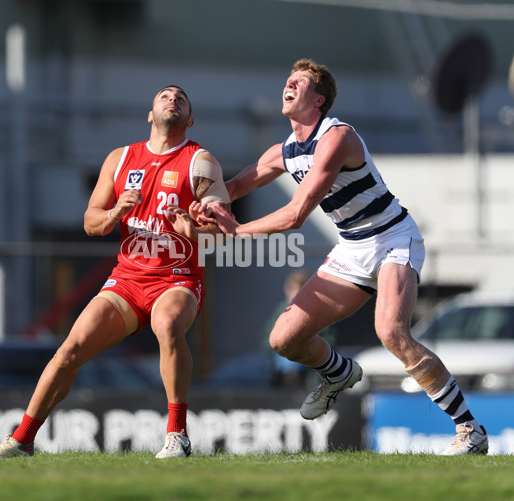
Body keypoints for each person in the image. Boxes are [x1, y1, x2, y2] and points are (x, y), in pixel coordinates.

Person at [205, 59, 488, 455]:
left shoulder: (336, 137)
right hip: (353, 247)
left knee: (391, 332)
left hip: (393, 237)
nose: (289, 84)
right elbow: (232, 188)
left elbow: (295, 215)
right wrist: (194, 205)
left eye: (299, 82)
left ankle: (469, 429)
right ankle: (338, 373)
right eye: (288, 80)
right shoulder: (283, 151)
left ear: (318, 100)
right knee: (283, 339)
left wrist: (235, 230)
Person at [0, 85, 230, 459]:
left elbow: (222, 233)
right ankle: (22, 440)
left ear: (189, 119)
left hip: (176, 277)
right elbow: (91, 223)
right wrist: (115, 213)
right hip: (127, 280)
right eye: (164, 95)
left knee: (168, 326)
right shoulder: (121, 158)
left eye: (181, 98)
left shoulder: (200, 162)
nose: (172, 99)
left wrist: (192, 230)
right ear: (150, 114)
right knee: (69, 352)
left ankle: (177, 435)